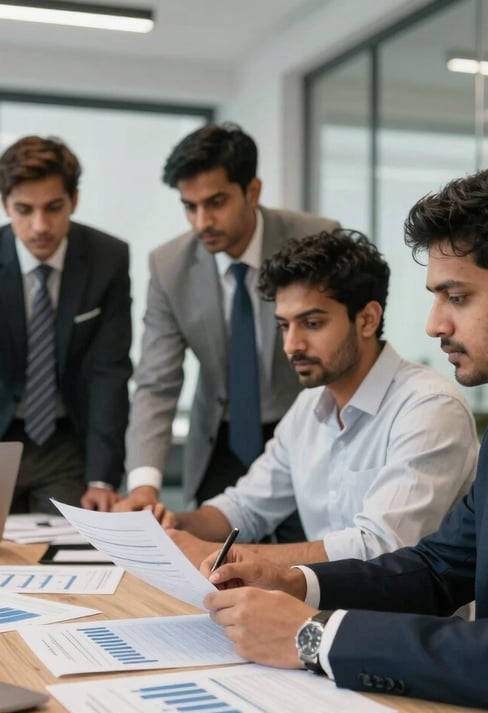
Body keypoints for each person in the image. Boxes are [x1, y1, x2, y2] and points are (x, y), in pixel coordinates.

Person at [201, 157, 488, 713]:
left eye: (457, 297)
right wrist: (298, 583)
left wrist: (316, 637)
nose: (433, 324)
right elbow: (440, 568)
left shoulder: (443, 407)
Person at [155, 228, 478, 566]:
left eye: (311, 323)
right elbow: (245, 508)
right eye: (284, 325)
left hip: (396, 618)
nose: (291, 345)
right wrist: (174, 526)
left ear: (367, 319)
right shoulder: (308, 407)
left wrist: (218, 554)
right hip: (315, 610)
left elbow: (380, 548)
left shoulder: (429, 408)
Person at [116, 123, 338, 539]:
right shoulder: (169, 266)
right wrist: (144, 483)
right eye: (190, 206)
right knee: (207, 565)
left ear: (252, 191)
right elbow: (156, 383)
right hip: (220, 436)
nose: (203, 221)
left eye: (216, 202)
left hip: (308, 430)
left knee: (303, 560)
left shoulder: (316, 239)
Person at [0, 135, 132, 512]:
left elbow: (110, 373)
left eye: (54, 207)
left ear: (74, 200)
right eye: (24, 209)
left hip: (66, 442)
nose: (40, 226)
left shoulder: (108, 259)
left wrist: (102, 477)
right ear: (5, 205)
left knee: (70, 555)